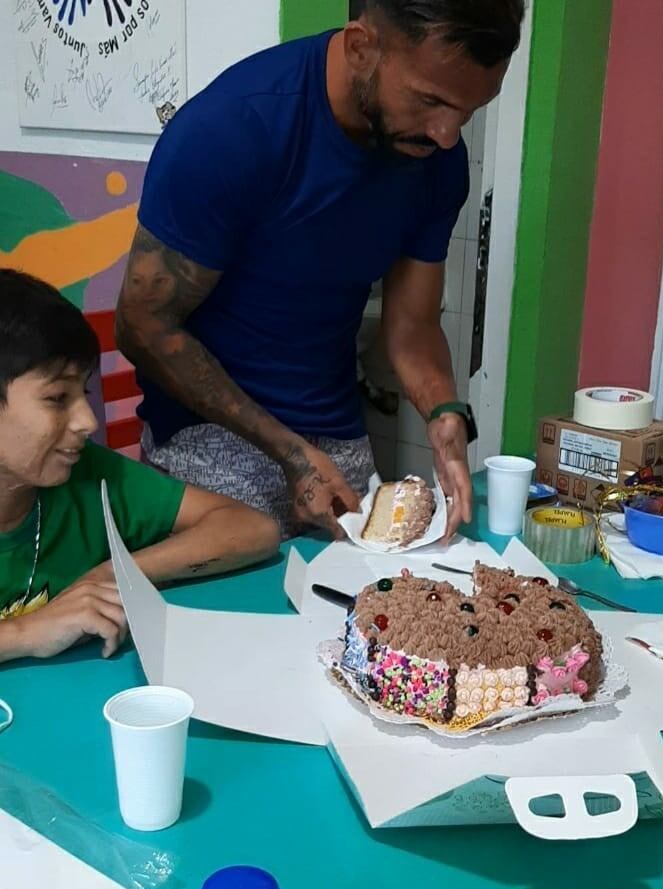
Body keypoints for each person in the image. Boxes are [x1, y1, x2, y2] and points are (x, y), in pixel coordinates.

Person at [115, 0, 525, 540]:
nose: (448, 134)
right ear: (361, 47)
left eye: (468, 112)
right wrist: (289, 453)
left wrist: (445, 413)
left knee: (383, 605)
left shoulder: (434, 160)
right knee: (244, 609)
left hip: (333, 432)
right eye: (430, 101)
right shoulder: (235, 130)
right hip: (207, 436)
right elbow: (142, 326)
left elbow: (413, 326)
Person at [0, 270, 280, 664]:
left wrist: (110, 575)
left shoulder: (91, 477)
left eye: (83, 393)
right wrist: (27, 632)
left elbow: (254, 530)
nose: (87, 421)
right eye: (57, 397)